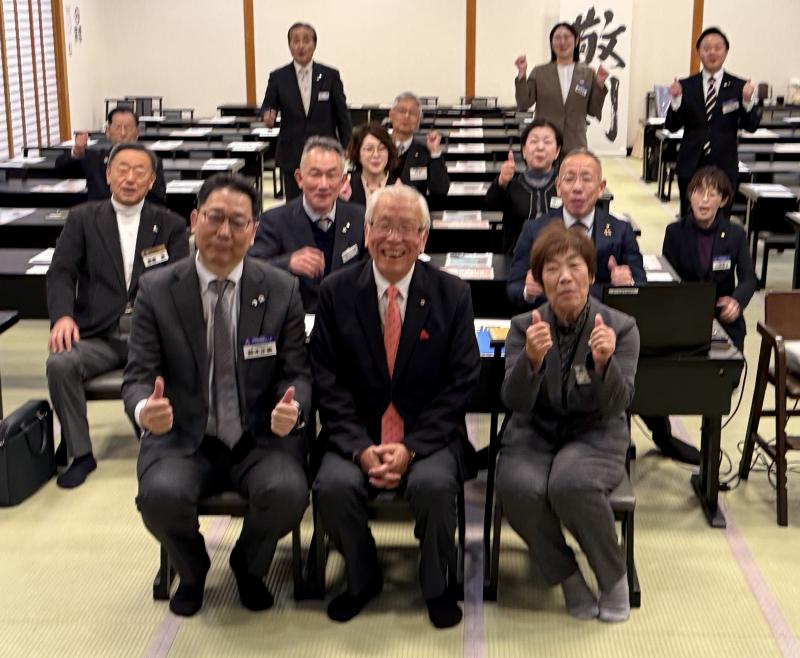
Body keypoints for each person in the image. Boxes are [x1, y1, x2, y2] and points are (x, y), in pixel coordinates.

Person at [123, 174, 311, 617]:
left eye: (237, 222)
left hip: (259, 435)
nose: (224, 232)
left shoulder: (281, 288)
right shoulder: (157, 290)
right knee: (159, 496)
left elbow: (297, 373)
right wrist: (142, 409)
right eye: (214, 218)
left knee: (288, 491)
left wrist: (295, 407)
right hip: (182, 435)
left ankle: (249, 564)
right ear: (194, 220)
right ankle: (191, 569)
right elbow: (137, 376)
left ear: (254, 230)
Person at [310, 184, 480, 629]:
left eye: (407, 228)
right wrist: (360, 447)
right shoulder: (335, 291)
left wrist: (412, 447)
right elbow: (326, 381)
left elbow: (461, 381)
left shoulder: (452, 294)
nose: (394, 238)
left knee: (435, 486)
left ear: (424, 238)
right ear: (366, 232)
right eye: (384, 225)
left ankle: (436, 583)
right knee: (332, 485)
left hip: (429, 435)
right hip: (356, 432)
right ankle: (362, 576)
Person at [496, 222, 639, 623]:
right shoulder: (525, 326)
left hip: (596, 433)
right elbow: (514, 401)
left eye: (574, 266)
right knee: (516, 486)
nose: (564, 277)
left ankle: (612, 578)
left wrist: (604, 364)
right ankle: (568, 575)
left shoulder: (622, 327)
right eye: (552, 269)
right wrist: (532, 363)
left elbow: (617, 405)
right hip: (535, 431)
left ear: (591, 275)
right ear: (539, 279)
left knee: (570, 483)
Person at [46, 143, 188, 489]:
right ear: (108, 174)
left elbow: (183, 278)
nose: (130, 178)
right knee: (60, 363)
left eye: (140, 171)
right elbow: (61, 272)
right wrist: (63, 316)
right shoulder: (83, 218)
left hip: (152, 338)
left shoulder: (169, 224)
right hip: (99, 335)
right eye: (122, 169)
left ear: (152, 179)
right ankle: (81, 453)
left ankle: (162, 439)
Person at [506, 149, 644, 311]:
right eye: (569, 179)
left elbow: (641, 285)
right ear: (558, 186)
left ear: (601, 187)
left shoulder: (621, 230)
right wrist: (528, 291)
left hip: (603, 324)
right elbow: (513, 287)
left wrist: (628, 284)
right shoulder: (534, 229)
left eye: (586, 179)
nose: (577, 187)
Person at [249, 137, 365, 313]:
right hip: (295, 320)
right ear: (299, 179)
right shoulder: (274, 221)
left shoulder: (360, 217)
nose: (323, 185)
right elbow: (251, 270)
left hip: (347, 320)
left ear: (342, 181)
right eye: (315, 174)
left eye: (331, 175)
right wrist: (288, 263)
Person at [665, 26, 760, 216]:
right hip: (691, 164)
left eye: (717, 47)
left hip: (724, 165)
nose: (712, 52)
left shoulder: (739, 86)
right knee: (689, 219)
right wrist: (675, 101)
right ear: (699, 52)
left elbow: (751, 127)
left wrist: (748, 102)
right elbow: (672, 126)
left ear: (725, 51)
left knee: (722, 219)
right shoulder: (685, 85)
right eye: (706, 48)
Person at [663, 166, 756, 352]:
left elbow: (748, 278)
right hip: (686, 313)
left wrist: (735, 302)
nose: (704, 200)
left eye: (712, 194)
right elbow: (668, 279)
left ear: (723, 200)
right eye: (698, 192)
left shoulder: (735, 234)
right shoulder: (675, 232)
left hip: (723, 315)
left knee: (730, 375)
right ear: (690, 196)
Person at [261, 22, 352, 201]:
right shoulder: (278, 77)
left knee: (326, 199)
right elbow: (268, 105)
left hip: (325, 151)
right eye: (295, 41)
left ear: (314, 44)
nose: (301, 46)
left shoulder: (330, 75)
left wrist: (347, 143)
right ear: (289, 46)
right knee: (294, 205)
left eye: (306, 40)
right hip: (292, 152)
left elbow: (342, 113)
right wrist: (267, 114)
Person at [514, 22, 608, 155]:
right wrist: (522, 74)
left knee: (573, 175)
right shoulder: (539, 72)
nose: (562, 42)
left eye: (567, 37)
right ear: (552, 43)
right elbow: (523, 103)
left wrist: (599, 84)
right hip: (545, 144)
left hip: (576, 143)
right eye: (557, 38)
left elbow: (593, 110)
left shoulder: (588, 73)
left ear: (576, 41)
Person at [56, 107, 167, 203]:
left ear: (137, 132)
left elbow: (158, 199)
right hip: (99, 220)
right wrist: (77, 152)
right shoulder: (94, 159)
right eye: (118, 128)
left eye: (128, 128)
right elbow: (61, 171)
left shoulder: (151, 161)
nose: (123, 133)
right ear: (108, 132)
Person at [484, 118, 563, 254]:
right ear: (524, 150)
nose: (540, 147)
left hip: (558, 259)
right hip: (516, 260)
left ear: (557, 151)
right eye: (534, 141)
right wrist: (501, 181)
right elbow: (490, 204)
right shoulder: (512, 184)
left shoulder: (566, 185)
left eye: (547, 141)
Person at [387, 92, 450, 201]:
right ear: (391, 115)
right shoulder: (378, 147)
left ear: (419, 121)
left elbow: (440, 190)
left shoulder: (425, 151)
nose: (407, 116)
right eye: (402, 111)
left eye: (413, 113)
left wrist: (435, 153)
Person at [343, 123, 399, 206]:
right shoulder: (345, 187)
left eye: (382, 148)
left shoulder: (400, 189)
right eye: (369, 149)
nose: (376, 155)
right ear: (357, 153)